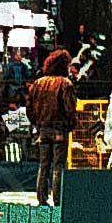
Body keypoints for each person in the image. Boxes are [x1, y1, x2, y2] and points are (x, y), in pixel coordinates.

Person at [26, 49, 78, 206]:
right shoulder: (65, 84)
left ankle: (42, 199)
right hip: (60, 130)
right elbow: (70, 109)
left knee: (44, 165)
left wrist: (38, 124)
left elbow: (29, 109)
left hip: (43, 130)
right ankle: (58, 200)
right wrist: (70, 125)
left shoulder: (37, 84)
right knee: (58, 167)